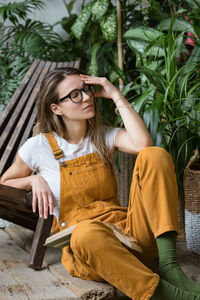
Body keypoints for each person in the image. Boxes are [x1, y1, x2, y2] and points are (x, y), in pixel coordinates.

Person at [1, 67, 200, 300]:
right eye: (75, 95)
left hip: (131, 238)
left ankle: (169, 266)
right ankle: (164, 294)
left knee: (153, 154)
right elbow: (4, 184)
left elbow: (143, 144)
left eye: (86, 90)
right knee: (85, 232)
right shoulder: (38, 147)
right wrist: (32, 179)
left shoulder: (103, 136)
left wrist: (116, 95)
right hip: (90, 251)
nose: (86, 97)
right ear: (56, 108)